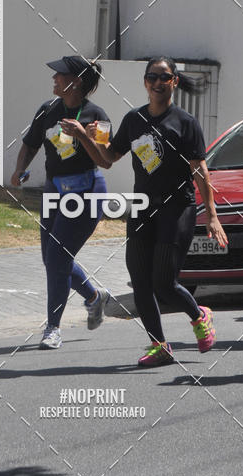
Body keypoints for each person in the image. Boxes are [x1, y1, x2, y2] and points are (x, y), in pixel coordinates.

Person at [93, 57, 228, 368]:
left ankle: (199, 315)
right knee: (139, 280)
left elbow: (201, 173)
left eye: (164, 77)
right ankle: (159, 345)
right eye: (152, 77)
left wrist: (212, 214)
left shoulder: (186, 123)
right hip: (142, 209)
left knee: (164, 284)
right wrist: (89, 138)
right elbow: (108, 158)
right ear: (145, 82)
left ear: (174, 82)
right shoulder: (133, 120)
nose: (157, 82)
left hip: (177, 208)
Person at [11, 56, 110, 350]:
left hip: (86, 192)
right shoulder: (48, 110)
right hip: (55, 191)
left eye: (60, 75)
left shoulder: (97, 116)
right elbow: (30, 144)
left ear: (75, 80)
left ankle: (53, 328)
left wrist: (82, 134)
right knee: (53, 260)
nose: (54, 79)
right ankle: (94, 297)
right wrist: (19, 169)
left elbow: (105, 160)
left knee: (57, 259)